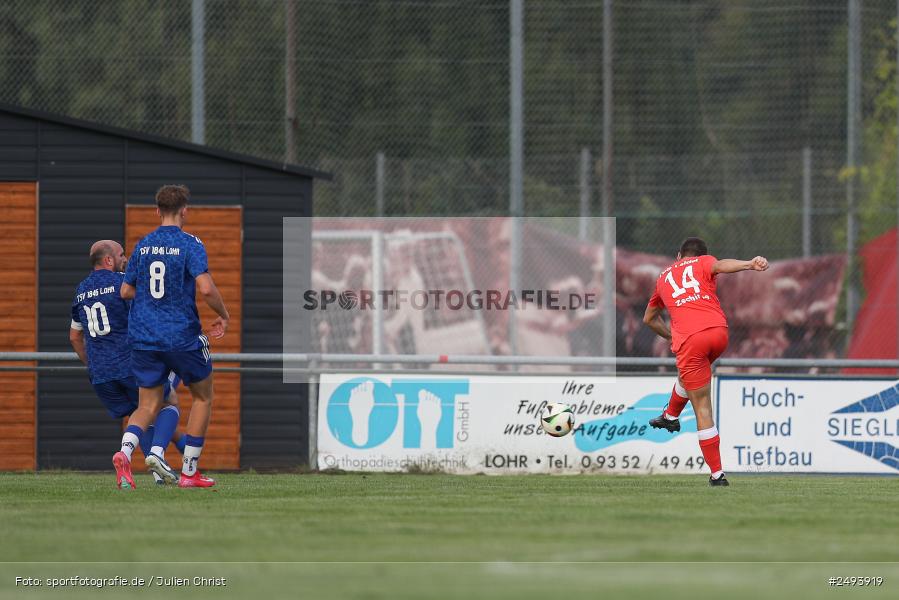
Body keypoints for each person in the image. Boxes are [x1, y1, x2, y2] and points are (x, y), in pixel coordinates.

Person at [114, 185, 230, 489]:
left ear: (157, 211)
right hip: (180, 335)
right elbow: (205, 289)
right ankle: (190, 472)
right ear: (184, 211)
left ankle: (125, 451)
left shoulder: (143, 245)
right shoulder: (190, 243)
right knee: (202, 396)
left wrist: (154, 301)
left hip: (143, 337)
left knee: (148, 404)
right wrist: (224, 314)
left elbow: (126, 291)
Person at [642, 237, 768, 486]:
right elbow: (720, 265)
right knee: (691, 374)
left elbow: (649, 318)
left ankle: (717, 475)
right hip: (719, 332)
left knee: (702, 408)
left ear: (679, 256)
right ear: (701, 255)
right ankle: (669, 415)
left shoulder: (663, 277)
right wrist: (750, 264)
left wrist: (671, 335)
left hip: (690, 339)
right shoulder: (704, 263)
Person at [70, 240, 186, 486]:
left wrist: (93, 364)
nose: (126, 258)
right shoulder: (121, 283)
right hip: (129, 365)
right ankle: (154, 455)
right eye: (122, 254)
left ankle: (148, 474)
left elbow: (74, 337)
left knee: (140, 415)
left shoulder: (80, 290)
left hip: (101, 375)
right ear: (109, 260)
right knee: (169, 403)